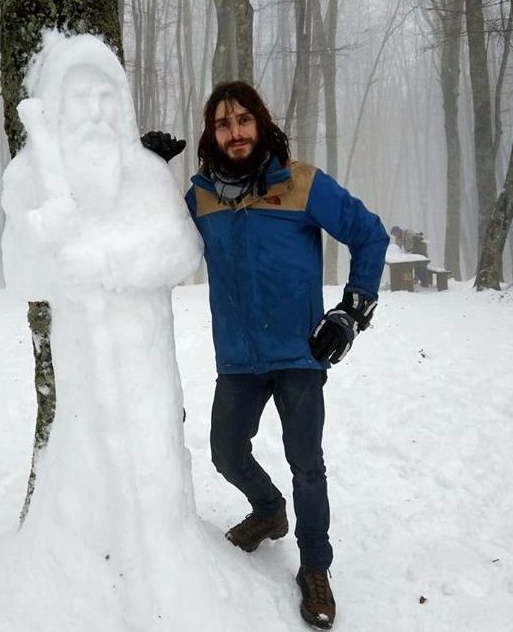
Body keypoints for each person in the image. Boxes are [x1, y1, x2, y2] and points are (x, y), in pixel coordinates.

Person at [142, 81, 388, 630]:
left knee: (308, 466)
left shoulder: (300, 183)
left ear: (261, 123)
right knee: (226, 453)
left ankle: (316, 569)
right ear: (212, 132)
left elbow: (369, 234)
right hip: (238, 357)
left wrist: (352, 310)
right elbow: (157, 240)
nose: (235, 132)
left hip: (298, 354)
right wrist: (147, 172)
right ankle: (269, 510)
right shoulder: (200, 197)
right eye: (224, 124)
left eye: (244, 120)